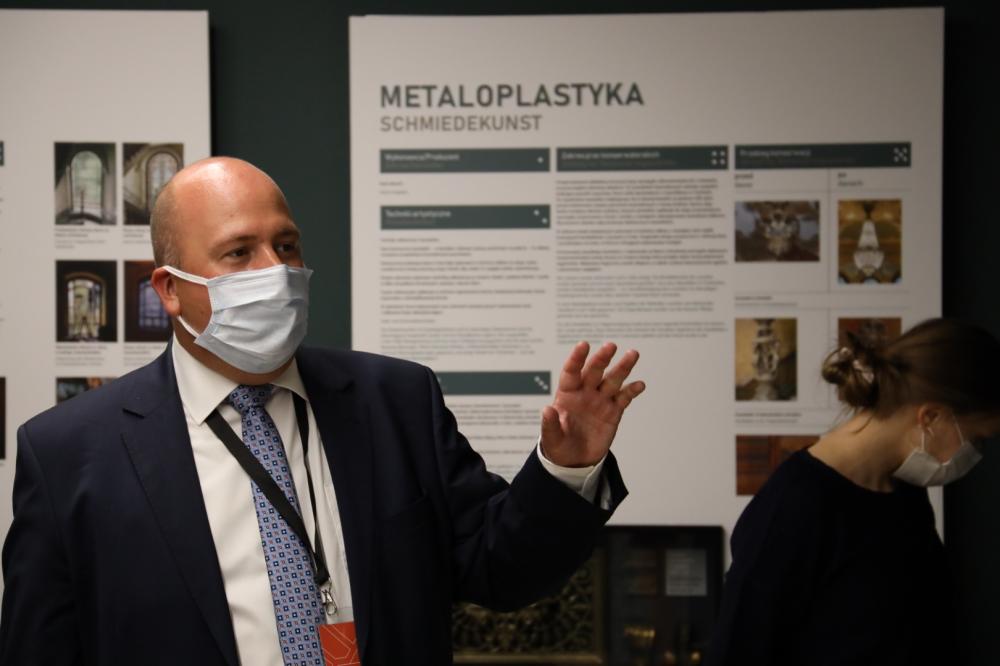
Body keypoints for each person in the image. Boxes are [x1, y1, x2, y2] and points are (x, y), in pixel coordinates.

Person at [0, 157, 646, 665]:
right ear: (169, 289)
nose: (276, 271)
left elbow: (498, 569)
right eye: (239, 252)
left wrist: (566, 469)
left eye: (286, 246)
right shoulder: (70, 454)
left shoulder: (396, 402)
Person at [708, 318, 1000, 666]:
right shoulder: (793, 507)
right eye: (978, 438)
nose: (977, 453)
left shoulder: (903, 491)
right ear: (931, 417)